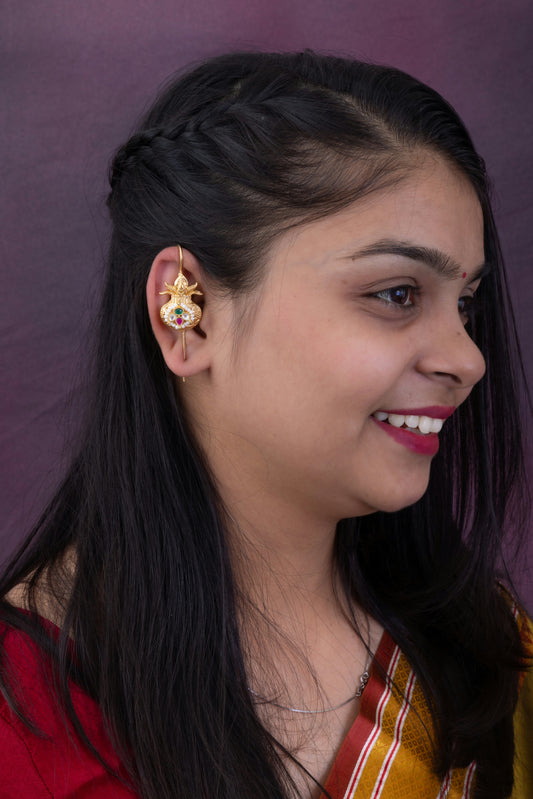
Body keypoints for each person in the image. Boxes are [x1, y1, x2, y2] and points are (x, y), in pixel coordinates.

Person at [0, 50, 531, 799]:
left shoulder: (491, 657)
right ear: (187, 314)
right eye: (396, 294)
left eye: (465, 303)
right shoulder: (24, 720)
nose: (468, 359)